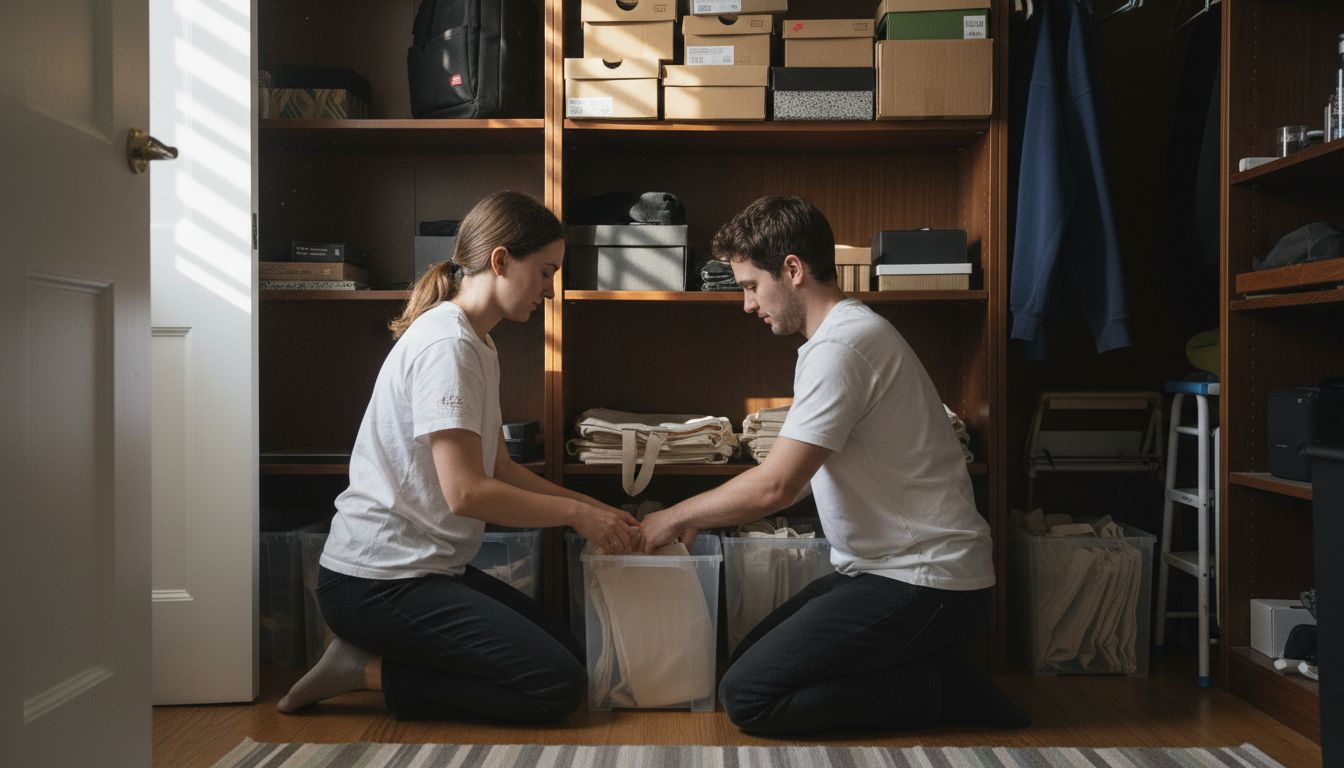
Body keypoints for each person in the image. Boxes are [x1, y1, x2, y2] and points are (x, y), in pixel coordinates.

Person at [639, 196, 1029, 735]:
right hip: (880, 573)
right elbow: (796, 475)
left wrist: (676, 517)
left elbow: (777, 485)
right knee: (747, 658)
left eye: (751, 286)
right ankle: (927, 668)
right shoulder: (840, 338)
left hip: (927, 582)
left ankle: (939, 690)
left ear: (793, 270)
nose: (747, 305)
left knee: (748, 696)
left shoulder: (842, 347)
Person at [278, 191, 639, 721]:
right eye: (544, 272)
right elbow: (467, 493)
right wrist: (578, 515)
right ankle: (363, 670)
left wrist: (593, 509)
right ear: (500, 260)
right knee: (555, 686)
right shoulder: (447, 344)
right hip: (375, 583)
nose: (550, 288)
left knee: (567, 656)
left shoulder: (479, 342)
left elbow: (501, 470)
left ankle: (371, 660)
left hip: (427, 571)